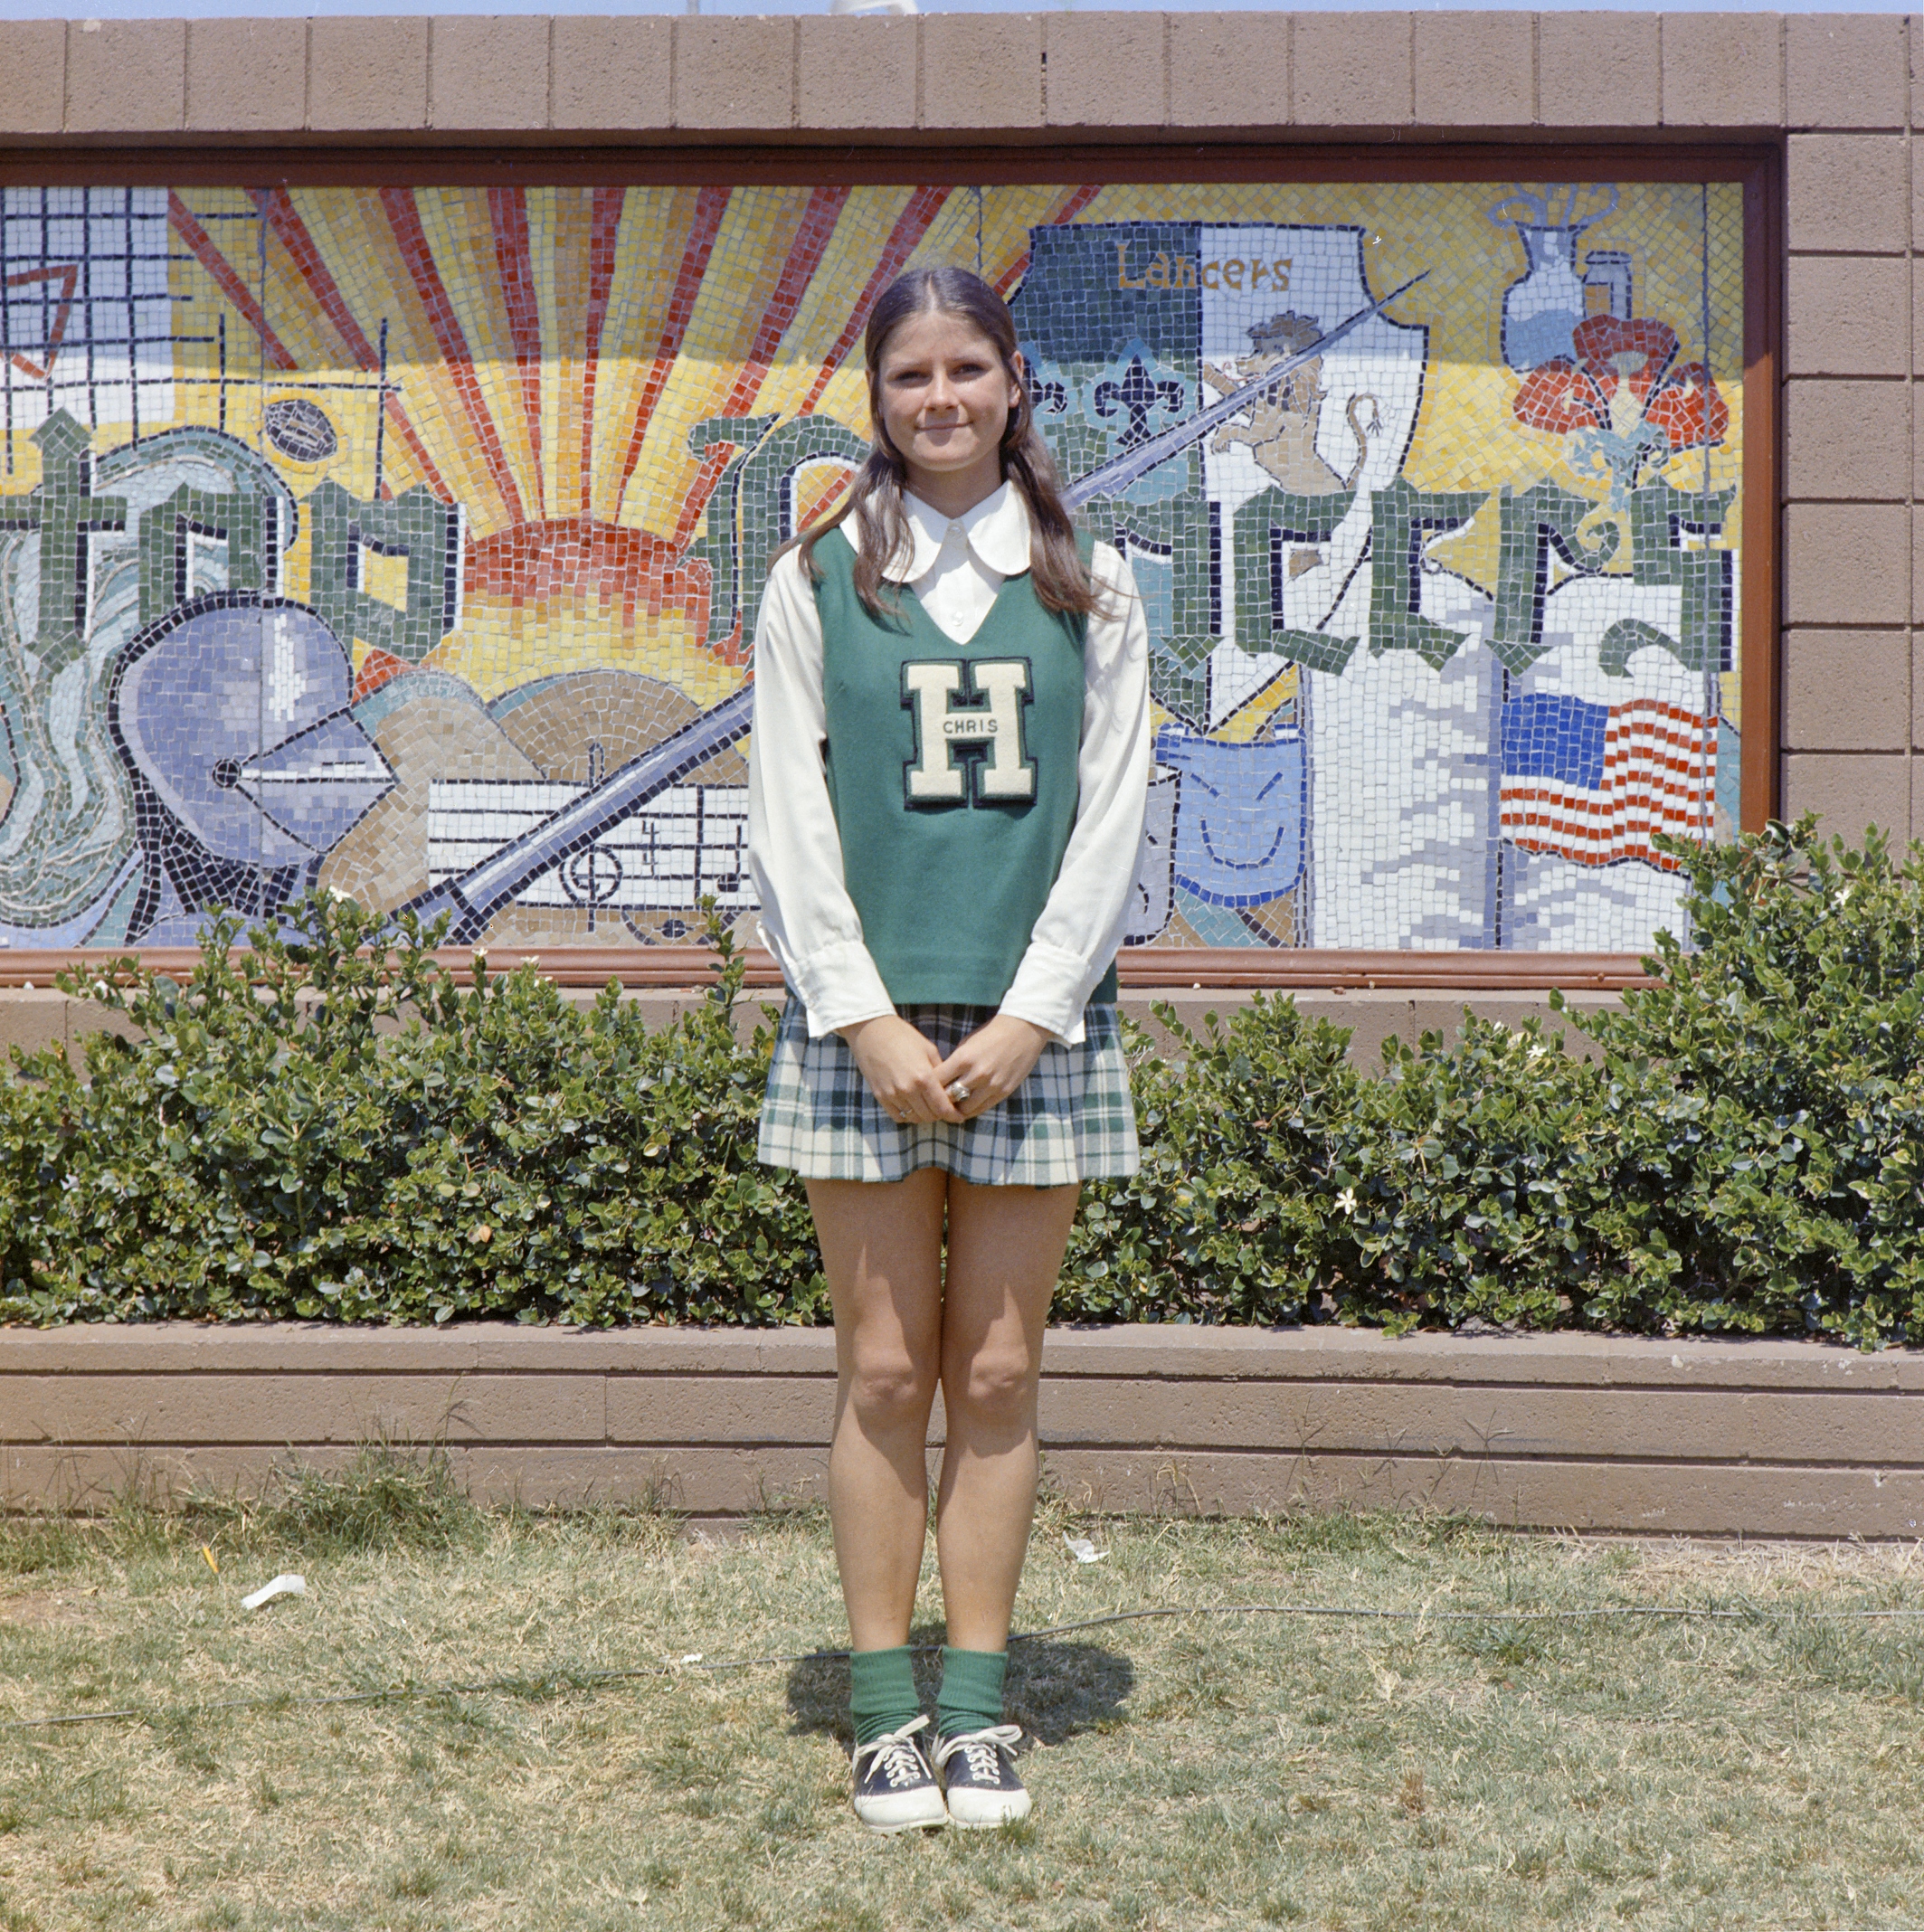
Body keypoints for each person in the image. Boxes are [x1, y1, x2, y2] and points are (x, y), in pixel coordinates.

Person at [746, 265, 1151, 1833]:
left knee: (995, 1368)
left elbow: (1113, 813)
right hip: (864, 1022)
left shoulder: (1089, 584)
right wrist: (855, 1011)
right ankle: (878, 1711)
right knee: (883, 1365)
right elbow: (784, 809)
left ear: (1013, 381)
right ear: (878, 394)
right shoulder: (817, 575)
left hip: (1033, 1023)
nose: (941, 400)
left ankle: (973, 1708)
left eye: (967, 369)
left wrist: (1035, 1012)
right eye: (911, 375)